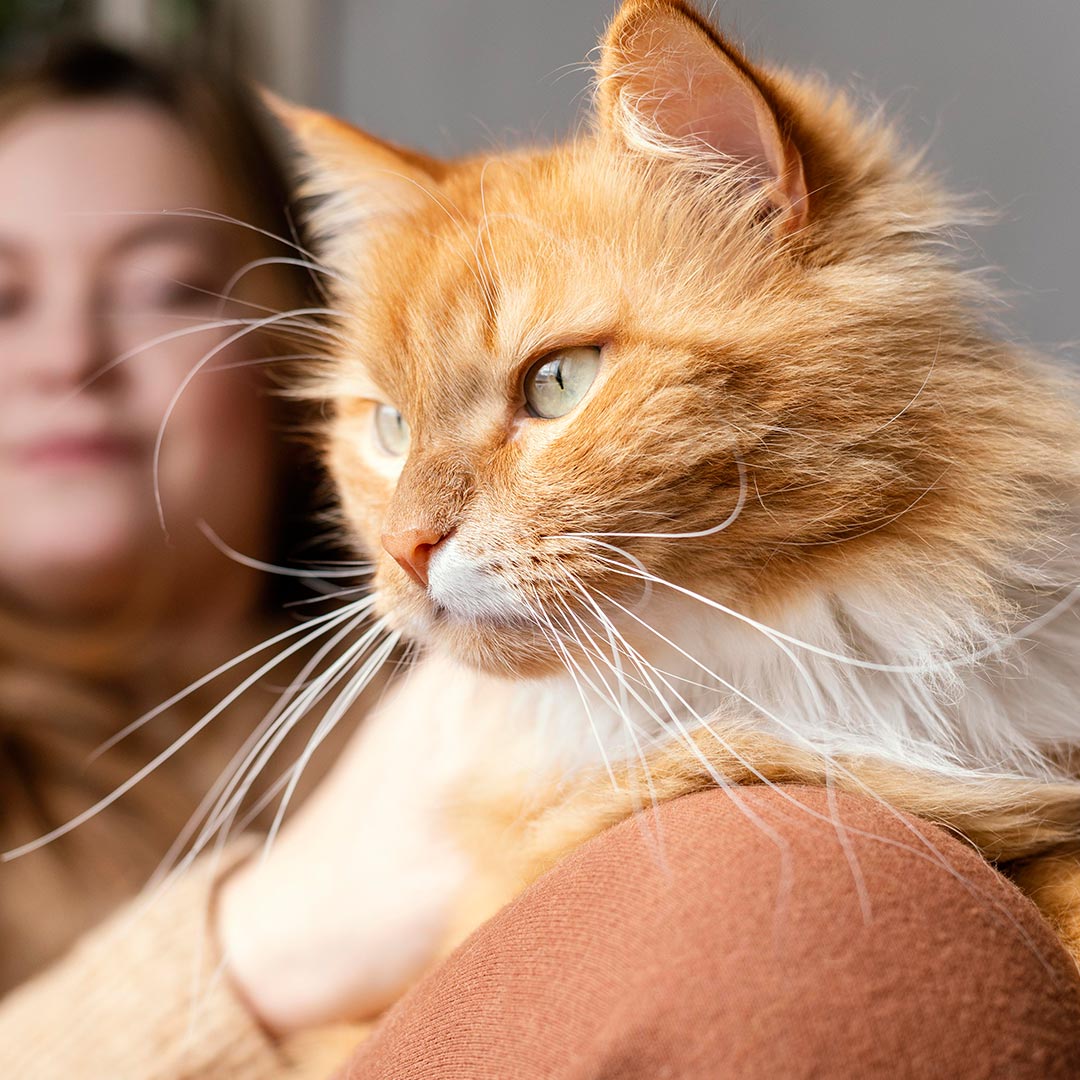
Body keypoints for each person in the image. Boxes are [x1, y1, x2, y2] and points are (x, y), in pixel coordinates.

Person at [0, 37, 359, 996]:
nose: (69, 356)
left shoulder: (488, 696)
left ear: (304, 356)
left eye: (162, 290)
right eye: (4, 300)